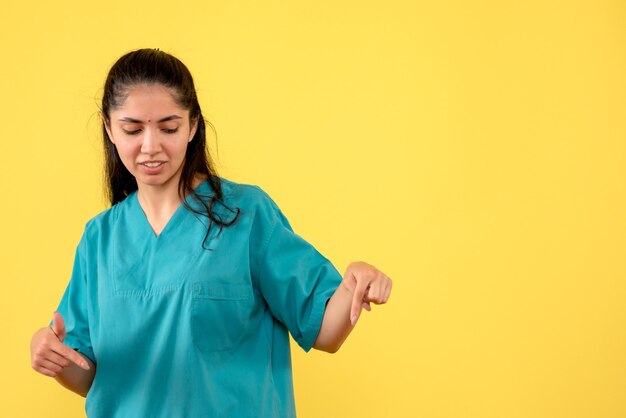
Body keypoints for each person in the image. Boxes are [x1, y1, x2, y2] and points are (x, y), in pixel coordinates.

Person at [30, 48, 392, 417]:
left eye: (169, 128)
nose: (150, 146)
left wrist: (353, 284)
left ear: (192, 126)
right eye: (132, 129)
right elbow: (90, 375)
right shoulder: (99, 239)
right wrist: (53, 357)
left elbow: (323, 331)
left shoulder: (245, 216)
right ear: (109, 128)